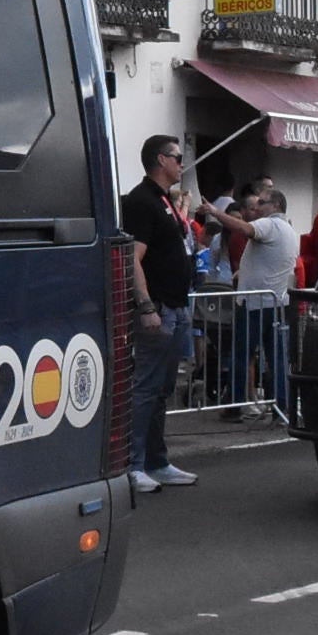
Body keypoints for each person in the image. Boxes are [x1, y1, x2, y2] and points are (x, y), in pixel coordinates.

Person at [118, 136, 199, 493]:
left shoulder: (164, 200)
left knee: (163, 388)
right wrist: (146, 305)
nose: (182, 163)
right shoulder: (142, 201)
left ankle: (157, 460)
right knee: (147, 386)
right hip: (160, 307)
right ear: (159, 160)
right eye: (177, 157)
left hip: (176, 305)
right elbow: (133, 258)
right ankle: (133, 465)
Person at [213, 181, 299, 422]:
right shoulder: (289, 230)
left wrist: (216, 213)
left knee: (242, 354)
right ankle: (282, 408)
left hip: (255, 304)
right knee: (277, 358)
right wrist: (246, 271)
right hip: (277, 302)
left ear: (276, 205)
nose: (256, 207)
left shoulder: (269, 225)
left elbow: (244, 229)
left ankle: (235, 406)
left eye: (262, 202)